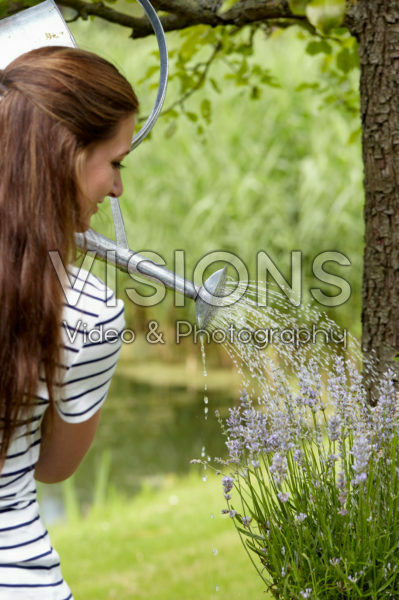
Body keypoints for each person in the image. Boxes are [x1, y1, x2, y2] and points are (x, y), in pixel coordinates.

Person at [0, 45, 139, 599]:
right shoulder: (87, 308)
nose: (117, 189)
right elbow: (53, 467)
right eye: (116, 162)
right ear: (68, 155)